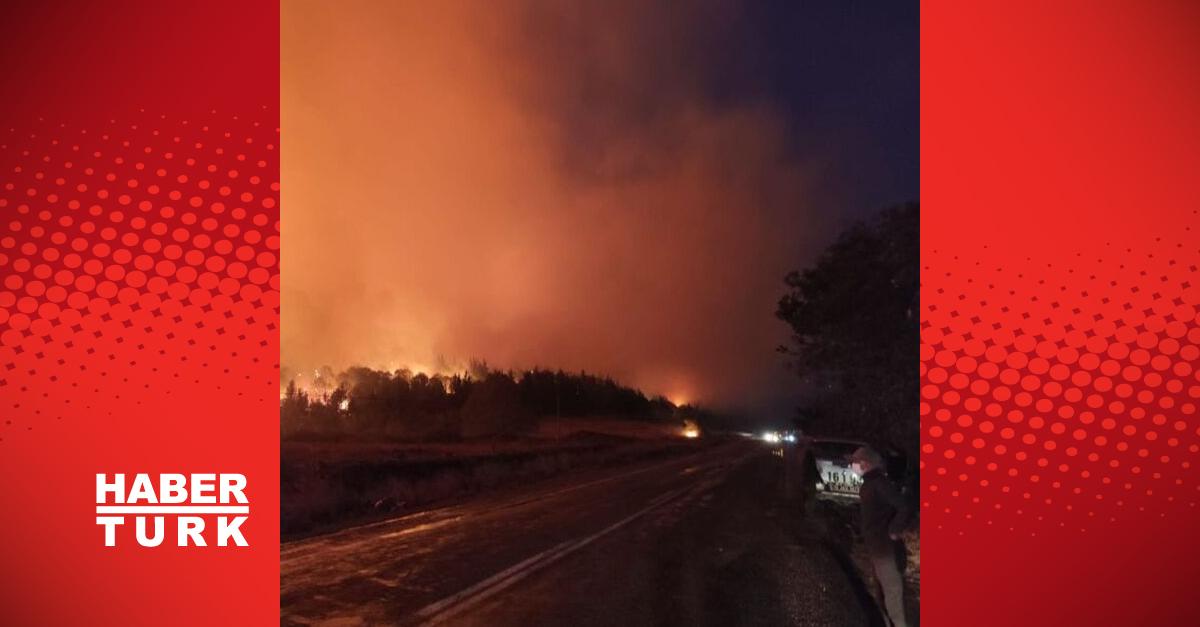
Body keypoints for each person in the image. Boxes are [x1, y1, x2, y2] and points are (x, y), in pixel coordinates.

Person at [851, 446, 910, 627]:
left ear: (865, 464)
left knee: (892, 592)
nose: (852, 466)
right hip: (876, 546)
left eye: (854, 462)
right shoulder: (870, 483)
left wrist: (894, 530)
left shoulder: (879, 483)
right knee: (883, 590)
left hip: (885, 549)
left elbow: (905, 507)